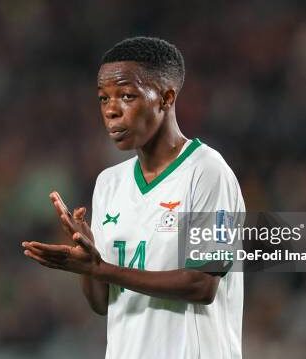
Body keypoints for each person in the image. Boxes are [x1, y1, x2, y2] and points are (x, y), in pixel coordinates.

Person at [22, 36, 245, 358]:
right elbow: (102, 303)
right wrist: (87, 261)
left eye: (127, 96)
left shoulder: (207, 172)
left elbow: (201, 285)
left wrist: (101, 269)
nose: (111, 110)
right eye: (103, 98)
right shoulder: (110, 183)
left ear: (166, 98)